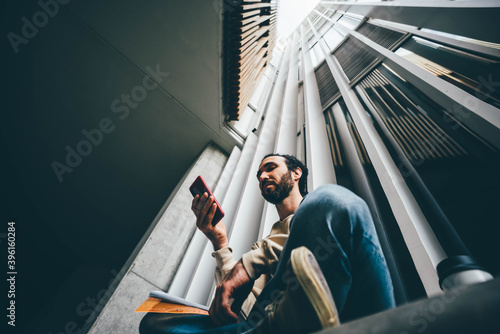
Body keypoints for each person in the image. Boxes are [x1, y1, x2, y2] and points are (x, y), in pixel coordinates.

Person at [140, 154, 395, 333]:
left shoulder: (319, 213)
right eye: (259, 174)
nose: (262, 176)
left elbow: (329, 217)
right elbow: (236, 305)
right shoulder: (265, 245)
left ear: (296, 173)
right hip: (262, 322)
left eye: (270, 168)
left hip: (352, 312)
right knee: (155, 322)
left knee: (329, 200)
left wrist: (248, 264)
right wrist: (220, 242)